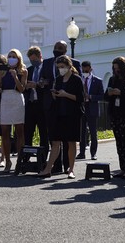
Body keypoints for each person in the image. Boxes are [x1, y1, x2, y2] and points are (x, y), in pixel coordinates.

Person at [38, 40, 82, 174]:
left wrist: (65, 94)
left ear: (69, 66)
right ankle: (48, 168)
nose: (60, 69)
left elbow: (79, 98)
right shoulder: (57, 79)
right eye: (58, 67)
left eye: (62, 66)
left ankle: (71, 169)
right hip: (58, 112)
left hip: (72, 113)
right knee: (55, 141)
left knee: (70, 142)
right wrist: (55, 94)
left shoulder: (76, 79)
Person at [0, 49, 27, 172]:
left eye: (14, 56)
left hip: (17, 98)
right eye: (9, 56)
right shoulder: (3, 70)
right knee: (5, 131)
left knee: (19, 131)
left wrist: (15, 77)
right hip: (6, 99)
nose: (11, 58)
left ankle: (20, 160)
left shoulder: (23, 71)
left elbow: (22, 88)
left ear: (18, 58)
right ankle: (7, 160)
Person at [105, 57, 125, 179]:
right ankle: (122, 168)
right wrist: (110, 93)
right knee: (119, 142)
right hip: (115, 114)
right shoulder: (112, 79)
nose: (116, 71)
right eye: (114, 69)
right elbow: (105, 97)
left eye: (118, 68)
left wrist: (121, 93)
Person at [77, 61, 104, 160]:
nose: (84, 71)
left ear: (90, 69)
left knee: (93, 132)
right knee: (82, 132)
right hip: (82, 107)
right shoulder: (79, 80)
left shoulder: (97, 81)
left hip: (92, 108)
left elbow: (102, 95)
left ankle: (93, 153)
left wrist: (91, 96)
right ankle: (82, 153)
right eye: (83, 70)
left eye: (86, 70)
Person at [24, 46, 48, 149]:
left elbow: (48, 83)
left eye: (35, 59)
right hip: (30, 104)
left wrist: (37, 85)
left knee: (43, 132)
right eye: (31, 60)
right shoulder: (29, 70)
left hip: (42, 104)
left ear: (40, 56)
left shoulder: (46, 69)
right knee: (28, 132)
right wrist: (27, 86)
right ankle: (26, 158)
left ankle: (43, 158)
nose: (33, 61)